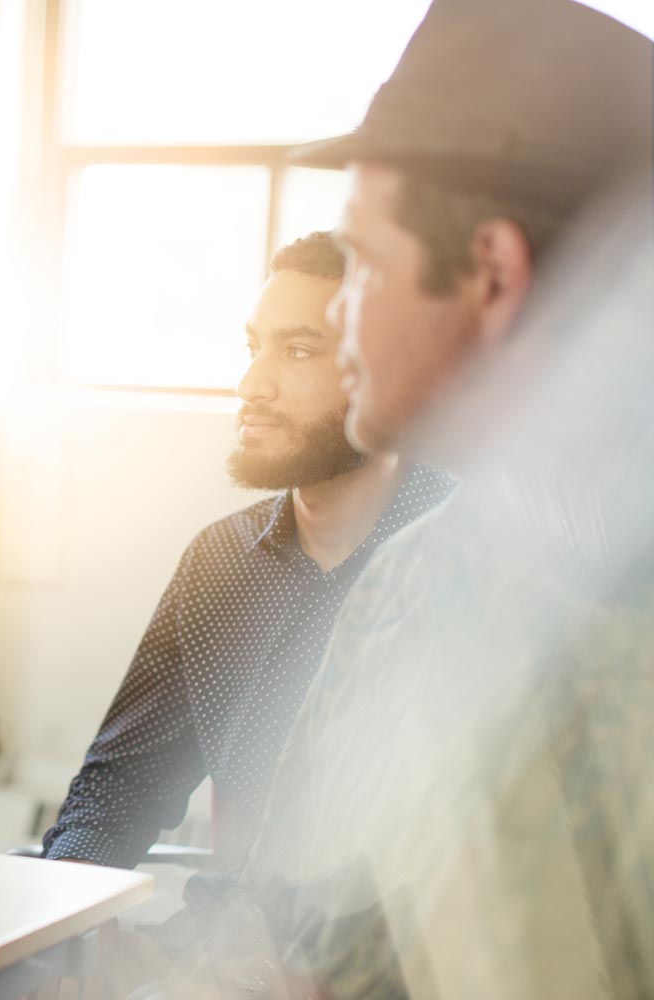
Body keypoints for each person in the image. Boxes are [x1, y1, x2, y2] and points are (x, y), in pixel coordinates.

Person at [136, 1, 653, 996]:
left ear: (493, 272)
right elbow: (302, 940)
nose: (336, 311)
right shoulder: (412, 582)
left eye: (363, 262)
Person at [42, 233, 451, 872]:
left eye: (298, 350)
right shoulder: (221, 564)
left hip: (387, 961)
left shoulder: (466, 550)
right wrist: (69, 918)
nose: (251, 384)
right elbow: (119, 788)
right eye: (253, 348)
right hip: (224, 953)